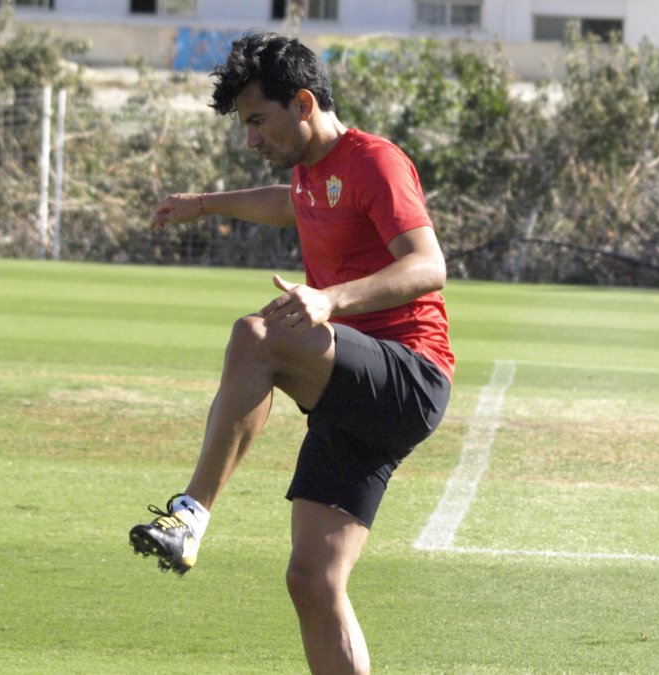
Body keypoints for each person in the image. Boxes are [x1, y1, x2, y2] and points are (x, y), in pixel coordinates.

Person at [129, 32, 454, 674]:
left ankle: (189, 515)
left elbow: (428, 265)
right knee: (312, 580)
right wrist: (204, 204)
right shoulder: (311, 176)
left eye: (258, 120)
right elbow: (294, 206)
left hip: (408, 374)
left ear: (303, 102)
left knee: (256, 337)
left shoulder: (374, 161)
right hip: (351, 393)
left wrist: (330, 300)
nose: (250, 138)